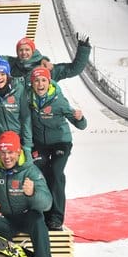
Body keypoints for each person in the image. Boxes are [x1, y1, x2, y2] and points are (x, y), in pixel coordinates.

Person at [0, 131, 53, 257]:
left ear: (18, 151)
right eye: (3, 153)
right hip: (7, 217)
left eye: (10, 152)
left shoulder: (31, 171)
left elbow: (47, 203)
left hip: (28, 215)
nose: (7, 157)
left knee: (39, 222)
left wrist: (32, 194)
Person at [29, 67, 87, 230]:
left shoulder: (58, 100)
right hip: (40, 144)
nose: (40, 84)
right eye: (36, 81)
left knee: (55, 172)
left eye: (43, 80)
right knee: (39, 172)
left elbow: (81, 125)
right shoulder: (28, 97)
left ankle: (56, 217)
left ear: (49, 82)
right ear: (32, 83)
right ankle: (43, 212)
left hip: (60, 142)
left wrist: (80, 118)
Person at [7, 35, 91, 87]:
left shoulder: (46, 69)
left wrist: (83, 49)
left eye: (27, 50)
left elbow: (73, 69)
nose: (24, 53)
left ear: (32, 51)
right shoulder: (13, 66)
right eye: (20, 50)